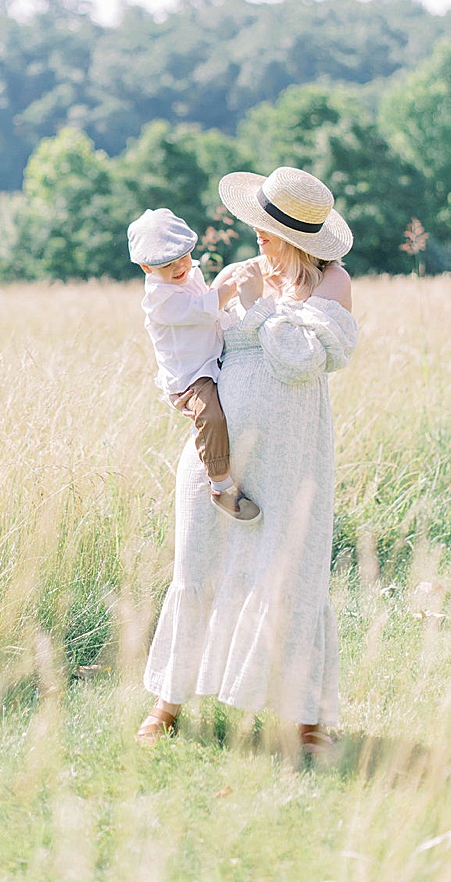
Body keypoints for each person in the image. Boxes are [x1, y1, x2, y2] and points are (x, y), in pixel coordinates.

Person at [136, 167, 358, 755]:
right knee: (199, 565)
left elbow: (305, 359)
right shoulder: (247, 273)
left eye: (266, 229)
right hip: (222, 455)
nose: (255, 236)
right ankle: (169, 701)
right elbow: (191, 337)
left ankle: (307, 719)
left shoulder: (331, 284)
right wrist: (184, 385)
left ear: (299, 238)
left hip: (291, 457)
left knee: (292, 571)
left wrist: (261, 310)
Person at [128, 207, 260, 521]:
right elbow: (203, 309)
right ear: (147, 268)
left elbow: (210, 312)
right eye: (167, 264)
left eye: (183, 257)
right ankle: (220, 483)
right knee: (210, 415)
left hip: (210, 357)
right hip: (190, 376)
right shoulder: (160, 299)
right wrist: (231, 288)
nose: (179, 267)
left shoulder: (190, 273)